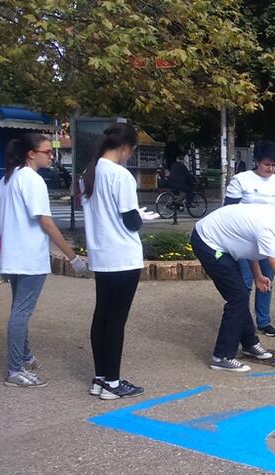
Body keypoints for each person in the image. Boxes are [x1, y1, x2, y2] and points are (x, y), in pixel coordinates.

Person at [0, 133, 87, 388]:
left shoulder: (8, 178)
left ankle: (24, 356)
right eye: (47, 152)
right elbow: (46, 222)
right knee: (21, 313)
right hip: (28, 257)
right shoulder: (32, 180)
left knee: (18, 310)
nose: (52, 156)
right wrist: (73, 256)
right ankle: (15, 370)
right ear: (31, 154)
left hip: (14, 255)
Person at [80, 123, 158, 400]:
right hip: (123, 256)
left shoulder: (89, 172)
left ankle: (101, 377)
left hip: (101, 255)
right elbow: (130, 220)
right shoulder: (120, 176)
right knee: (116, 321)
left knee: (102, 316)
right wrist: (142, 217)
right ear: (125, 147)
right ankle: (112, 383)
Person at [192, 204, 275, 372]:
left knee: (240, 294)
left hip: (220, 240)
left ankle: (249, 344)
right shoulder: (271, 231)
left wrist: (257, 275)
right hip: (207, 241)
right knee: (237, 297)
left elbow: (250, 245)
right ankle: (221, 357)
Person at [224, 140, 275, 337]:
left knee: (267, 280)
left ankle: (264, 321)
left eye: (273, 165)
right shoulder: (241, 180)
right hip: (244, 239)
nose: (270, 168)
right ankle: (243, 321)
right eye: (266, 164)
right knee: (245, 281)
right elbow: (228, 210)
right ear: (257, 162)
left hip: (270, 238)